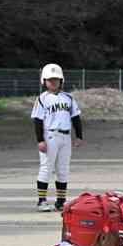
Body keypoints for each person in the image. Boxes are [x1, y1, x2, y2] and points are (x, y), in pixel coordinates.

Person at [32, 63, 84, 212]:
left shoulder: (68, 98)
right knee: (46, 168)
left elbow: (75, 118)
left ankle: (61, 201)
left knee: (63, 169)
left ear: (61, 80)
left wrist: (79, 136)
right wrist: (40, 140)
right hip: (50, 136)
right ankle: (42, 201)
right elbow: (37, 120)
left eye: (56, 79)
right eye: (50, 79)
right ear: (44, 81)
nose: (53, 82)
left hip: (65, 137)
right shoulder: (42, 99)